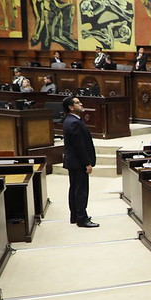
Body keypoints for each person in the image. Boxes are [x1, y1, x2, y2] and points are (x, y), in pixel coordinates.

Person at [62, 96, 99, 228]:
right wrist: (87, 163)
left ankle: (75, 216)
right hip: (78, 163)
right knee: (81, 191)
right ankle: (82, 219)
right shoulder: (74, 123)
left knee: (74, 189)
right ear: (71, 107)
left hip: (73, 162)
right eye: (77, 103)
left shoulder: (70, 120)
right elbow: (79, 146)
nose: (81, 104)